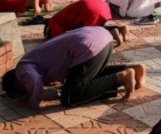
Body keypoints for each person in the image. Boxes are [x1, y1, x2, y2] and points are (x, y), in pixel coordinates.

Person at [1, 27, 146, 109]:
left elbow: (33, 80)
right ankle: (133, 68)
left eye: (22, 91)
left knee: (70, 96)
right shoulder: (31, 59)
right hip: (101, 37)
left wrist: (34, 101)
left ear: (18, 82)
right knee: (88, 75)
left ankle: (121, 77)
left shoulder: (22, 68)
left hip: (86, 47)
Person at [44, 0, 129, 47]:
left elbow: (62, 38)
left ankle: (111, 33)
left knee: (83, 35)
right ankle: (120, 29)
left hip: (88, 10)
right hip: (102, 5)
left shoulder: (53, 22)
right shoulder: (58, 17)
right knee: (97, 28)